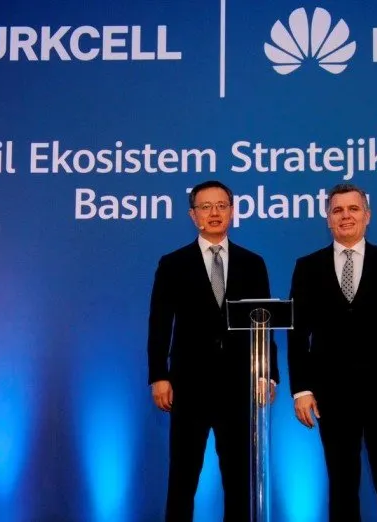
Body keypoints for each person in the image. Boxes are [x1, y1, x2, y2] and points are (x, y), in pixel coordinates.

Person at [287, 183, 377, 522]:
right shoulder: (307, 267)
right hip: (332, 394)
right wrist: (301, 389)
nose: (345, 216)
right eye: (337, 210)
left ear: (367, 215)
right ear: (328, 219)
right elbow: (297, 333)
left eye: (353, 209)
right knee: (341, 484)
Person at [147, 180, 279, 522]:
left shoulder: (253, 263)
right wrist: (159, 375)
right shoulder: (173, 263)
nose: (214, 213)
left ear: (232, 212)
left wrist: (267, 374)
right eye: (205, 207)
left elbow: (264, 324)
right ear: (193, 215)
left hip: (238, 386)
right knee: (183, 476)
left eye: (221, 205)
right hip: (188, 384)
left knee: (239, 478)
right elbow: (159, 324)